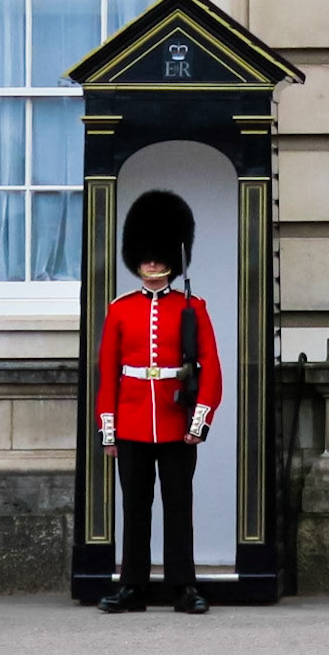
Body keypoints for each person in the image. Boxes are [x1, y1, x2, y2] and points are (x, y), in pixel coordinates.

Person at [94, 189, 222, 615]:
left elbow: (212, 370)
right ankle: (132, 586)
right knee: (135, 507)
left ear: (172, 256)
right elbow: (108, 372)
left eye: (158, 254)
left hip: (174, 420)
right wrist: (108, 430)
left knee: (178, 505)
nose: (151, 262)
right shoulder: (120, 310)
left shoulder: (193, 307)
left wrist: (197, 421)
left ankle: (182, 586)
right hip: (131, 423)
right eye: (145, 255)